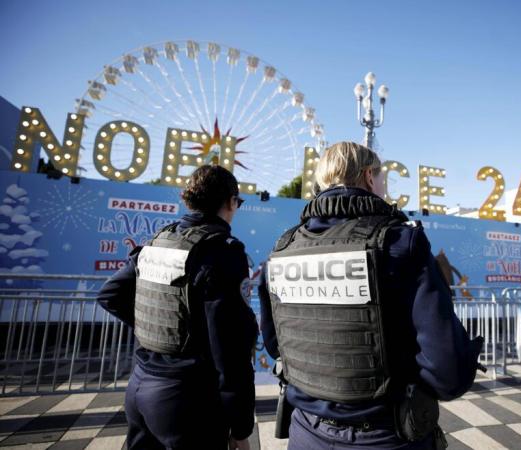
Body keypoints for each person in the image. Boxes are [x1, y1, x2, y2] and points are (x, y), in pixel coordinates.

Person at [258, 141, 482, 449]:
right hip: (384, 435)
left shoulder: (283, 249)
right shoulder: (402, 243)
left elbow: (274, 344)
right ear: (368, 177)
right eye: (383, 177)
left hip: (305, 432)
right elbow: (447, 371)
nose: (384, 185)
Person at [97, 165, 258, 450]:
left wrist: (162, 327)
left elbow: (111, 294)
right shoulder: (224, 250)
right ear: (231, 201)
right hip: (189, 399)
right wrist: (242, 425)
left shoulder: (160, 240)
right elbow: (230, 349)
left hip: (139, 387)